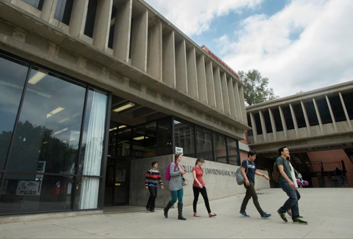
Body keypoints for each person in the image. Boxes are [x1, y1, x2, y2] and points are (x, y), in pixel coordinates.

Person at [276, 146, 308, 225]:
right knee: (294, 197)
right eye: (286, 150)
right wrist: (289, 181)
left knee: (297, 196)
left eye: (288, 150)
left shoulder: (286, 161)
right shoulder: (279, 159)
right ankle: (282, 210)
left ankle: (295, 217)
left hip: (290, 181)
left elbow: (290, 172)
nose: (288, 152)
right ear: (281, 152)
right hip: (285, 182)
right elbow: (281, 171)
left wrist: (295, 180)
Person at [239, 150, 271, 219]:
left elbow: (255, 171)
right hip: (248, 182)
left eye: (255, 156)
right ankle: (262, 213)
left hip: (252, 182)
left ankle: (242, 210)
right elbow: (242, 170)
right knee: (255, 197)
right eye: (253, 156)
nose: (255, 157)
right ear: (249, 156)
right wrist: (246, 179)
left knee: (247, 196)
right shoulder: (245, 162)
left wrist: (263, 175)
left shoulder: (253, 163)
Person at [163, 154, 187, 220]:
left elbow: (180, 173)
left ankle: (180, 215)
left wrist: (183, 172)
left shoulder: (180, 165)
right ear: (177, 157)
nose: (181, 158)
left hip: (180, 185)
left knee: (180, 200)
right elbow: (171, 173)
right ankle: (166, 209)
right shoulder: (173, 164)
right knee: (174, 200)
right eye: (180, 157)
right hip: (173, 185)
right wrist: (180, 172)